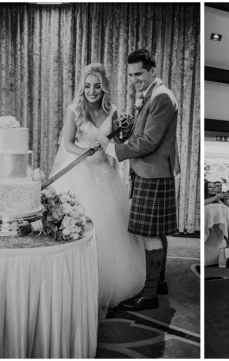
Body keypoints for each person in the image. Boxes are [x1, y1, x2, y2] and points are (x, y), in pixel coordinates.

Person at [49, 63, 145, 312]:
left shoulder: (113, 111)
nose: (92, 91)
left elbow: (116, 141)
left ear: (104, 89)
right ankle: (75, 280)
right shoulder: (75, 109)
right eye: (88, 86)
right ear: (83, 87)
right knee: (81, 224)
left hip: (105, 172)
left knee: (111, 227)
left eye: (97, 87)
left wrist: (123, 138)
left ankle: (108, 282)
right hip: (79, 171)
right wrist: (88, 153)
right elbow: (68, 144)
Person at [101, 49, 179, 310]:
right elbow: (142, 134)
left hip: (153, 173)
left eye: (139, 74)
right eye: (131, 74)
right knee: (157, 232)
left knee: (149, 234)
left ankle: (149, 295)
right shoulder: (151, 95)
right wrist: (125, 132)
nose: (134, 79)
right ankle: (160, 282)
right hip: (153, 171)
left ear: (153, 71)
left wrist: (114, 149)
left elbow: (149, 141)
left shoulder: (162, 98)